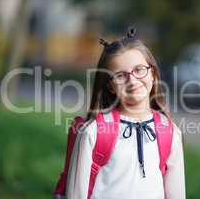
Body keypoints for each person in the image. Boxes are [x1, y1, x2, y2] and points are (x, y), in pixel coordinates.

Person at [55, 26, 185, 199]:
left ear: (152, 74)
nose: (132, 80)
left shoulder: (169, 131)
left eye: (139, 69)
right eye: (121, 75)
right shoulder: (93, 132)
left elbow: (176, 193)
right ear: (111, 86)